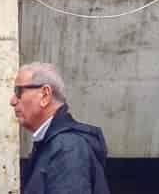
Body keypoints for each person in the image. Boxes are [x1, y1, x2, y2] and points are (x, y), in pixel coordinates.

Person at [12, 62, 110, 194]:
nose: (12, 101)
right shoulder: (53, 143)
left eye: (18, 92)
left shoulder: (68, 147)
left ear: (45, 95)